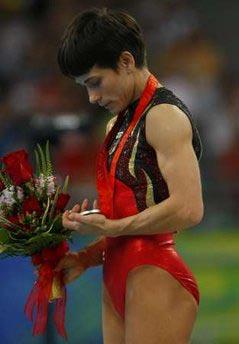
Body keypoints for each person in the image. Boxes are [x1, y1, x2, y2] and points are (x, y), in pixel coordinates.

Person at [55, 7, 204, 343]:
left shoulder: (164, 116)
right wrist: (87, 256)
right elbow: (127, 212)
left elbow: (190, 209)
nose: (92, 97)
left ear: (125, 61)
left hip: (156, 271)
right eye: (84, 87)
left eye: (95, 82)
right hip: (117, 272)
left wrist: (112, 227)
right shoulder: (117, 124)